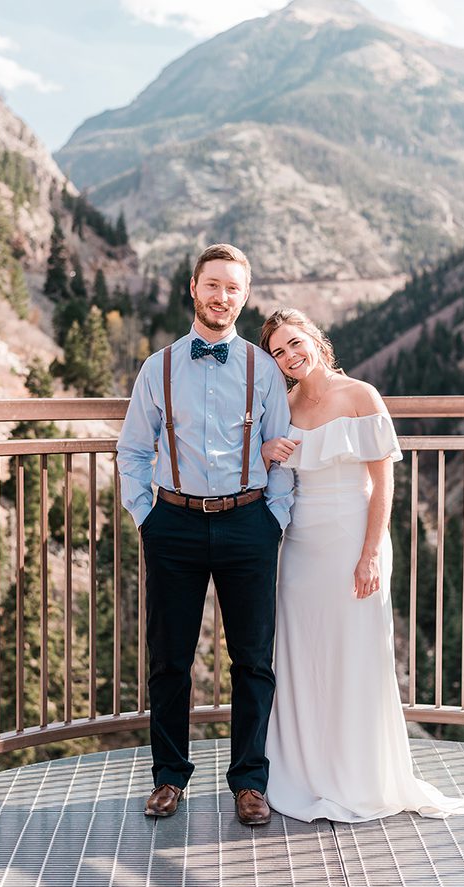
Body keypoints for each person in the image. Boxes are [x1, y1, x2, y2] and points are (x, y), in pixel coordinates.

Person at [257, 307, 464, 822]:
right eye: (279, 352)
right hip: (300, 547)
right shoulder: (284, 405)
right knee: (301, 657)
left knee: (357, 657)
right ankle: (305, 773)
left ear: (315, 338)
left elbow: (385, 484)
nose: (291, 356)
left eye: (296, 343)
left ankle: (357, 776)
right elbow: (269, 469)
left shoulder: (361, 395)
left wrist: (369, 555)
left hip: (354, 539)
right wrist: (268, 449)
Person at [117, 244, 293, 825]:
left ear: (244, 297)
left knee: (252, 660)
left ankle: (248, 781)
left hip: (248, 523)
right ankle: (169, 778)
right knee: (169, 659)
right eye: (213, 285)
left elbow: (283, 451)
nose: (222, 297)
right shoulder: (158, 368)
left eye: (234, 289)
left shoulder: (263, 369)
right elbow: (135, 450)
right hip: (174, 525)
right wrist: (147, 515)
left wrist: (275, 518)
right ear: (193, 287)